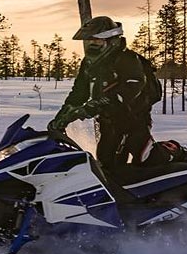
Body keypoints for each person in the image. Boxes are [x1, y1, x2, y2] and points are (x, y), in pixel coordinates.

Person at [48, 16, 160, 171]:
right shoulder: (89, 63)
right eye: (90, 40)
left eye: (97, 41)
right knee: (106, 164)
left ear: (111, 40)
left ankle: (184, 171)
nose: (92, 44)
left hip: (133, 120)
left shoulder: (127, 59)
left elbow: (133, 86)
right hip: (107, 122)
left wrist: (96, 105)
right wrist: (62, 118)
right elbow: (79, 93)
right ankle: (121, 194)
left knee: (145, 158)